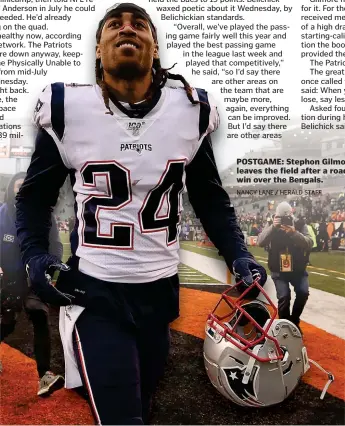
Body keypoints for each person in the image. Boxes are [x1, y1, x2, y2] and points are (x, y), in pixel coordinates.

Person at [15, 3, 267, 424]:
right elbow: (34, 196)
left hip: (159, 291)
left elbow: (209, 198)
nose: (126, 29)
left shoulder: (190, 110)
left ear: (154, 46)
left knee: (143, 406)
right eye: (114, 24)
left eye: (139, 25)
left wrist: (237, 252)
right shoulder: (65, 107)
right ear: (99, 48)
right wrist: (34, 255)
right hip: (96, 292)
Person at [0, 172, 64, 395]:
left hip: (36, 277)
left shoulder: (44, 216)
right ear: (11, 190)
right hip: (9, 279)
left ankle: (44, 376)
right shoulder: (2, 215)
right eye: (17, 186)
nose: (21, 189)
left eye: (25, 186)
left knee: (39, 316)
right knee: (7, 323)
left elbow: (56, 246)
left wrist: (52, 274)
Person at [257, 201, 313, 333]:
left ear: (292, 214)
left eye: (287, 217)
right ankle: (284, 325)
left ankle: (294, 321)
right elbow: (260, 241)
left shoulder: (300, 224)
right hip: (278, 269)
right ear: (276, 216)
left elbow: (309, 243)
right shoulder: (271, 224)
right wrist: (272, 227)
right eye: (281, 217)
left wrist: (294, 233)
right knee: (284, 297)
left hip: (298, 269)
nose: (284, 221)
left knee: (303, 292)